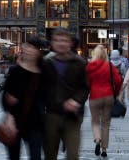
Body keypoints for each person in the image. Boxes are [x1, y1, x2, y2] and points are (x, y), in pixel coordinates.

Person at [41, 28, 88, 160]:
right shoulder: (46, 63)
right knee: (50, 154)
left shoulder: (80, 63)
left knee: (73, 155)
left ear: (70, 43)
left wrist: (76, 100)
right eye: (57, 40)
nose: (60, 43)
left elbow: (85, 87)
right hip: (51, 114)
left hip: (72, 117)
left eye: (64, 40)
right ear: (52, 43)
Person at [0, 37, 45, 160]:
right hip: (14, 123)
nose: (29, 50)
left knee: (36, 156)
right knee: (14, 156)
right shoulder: (15, 71)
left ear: (38, 52)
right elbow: (5, 96)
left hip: (35, 124)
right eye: (27, 46)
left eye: (33, 47)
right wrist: (9, 117)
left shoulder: (44, 72)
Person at [85, 45, 121, 158]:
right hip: (108, 96)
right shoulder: (109, 66)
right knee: (106, 123)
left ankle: (97, 139)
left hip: (95, 96)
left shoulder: (89, 67)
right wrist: (116, 92)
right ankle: (104, 149)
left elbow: (86, 82)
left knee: (95, 121)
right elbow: (118, 80)